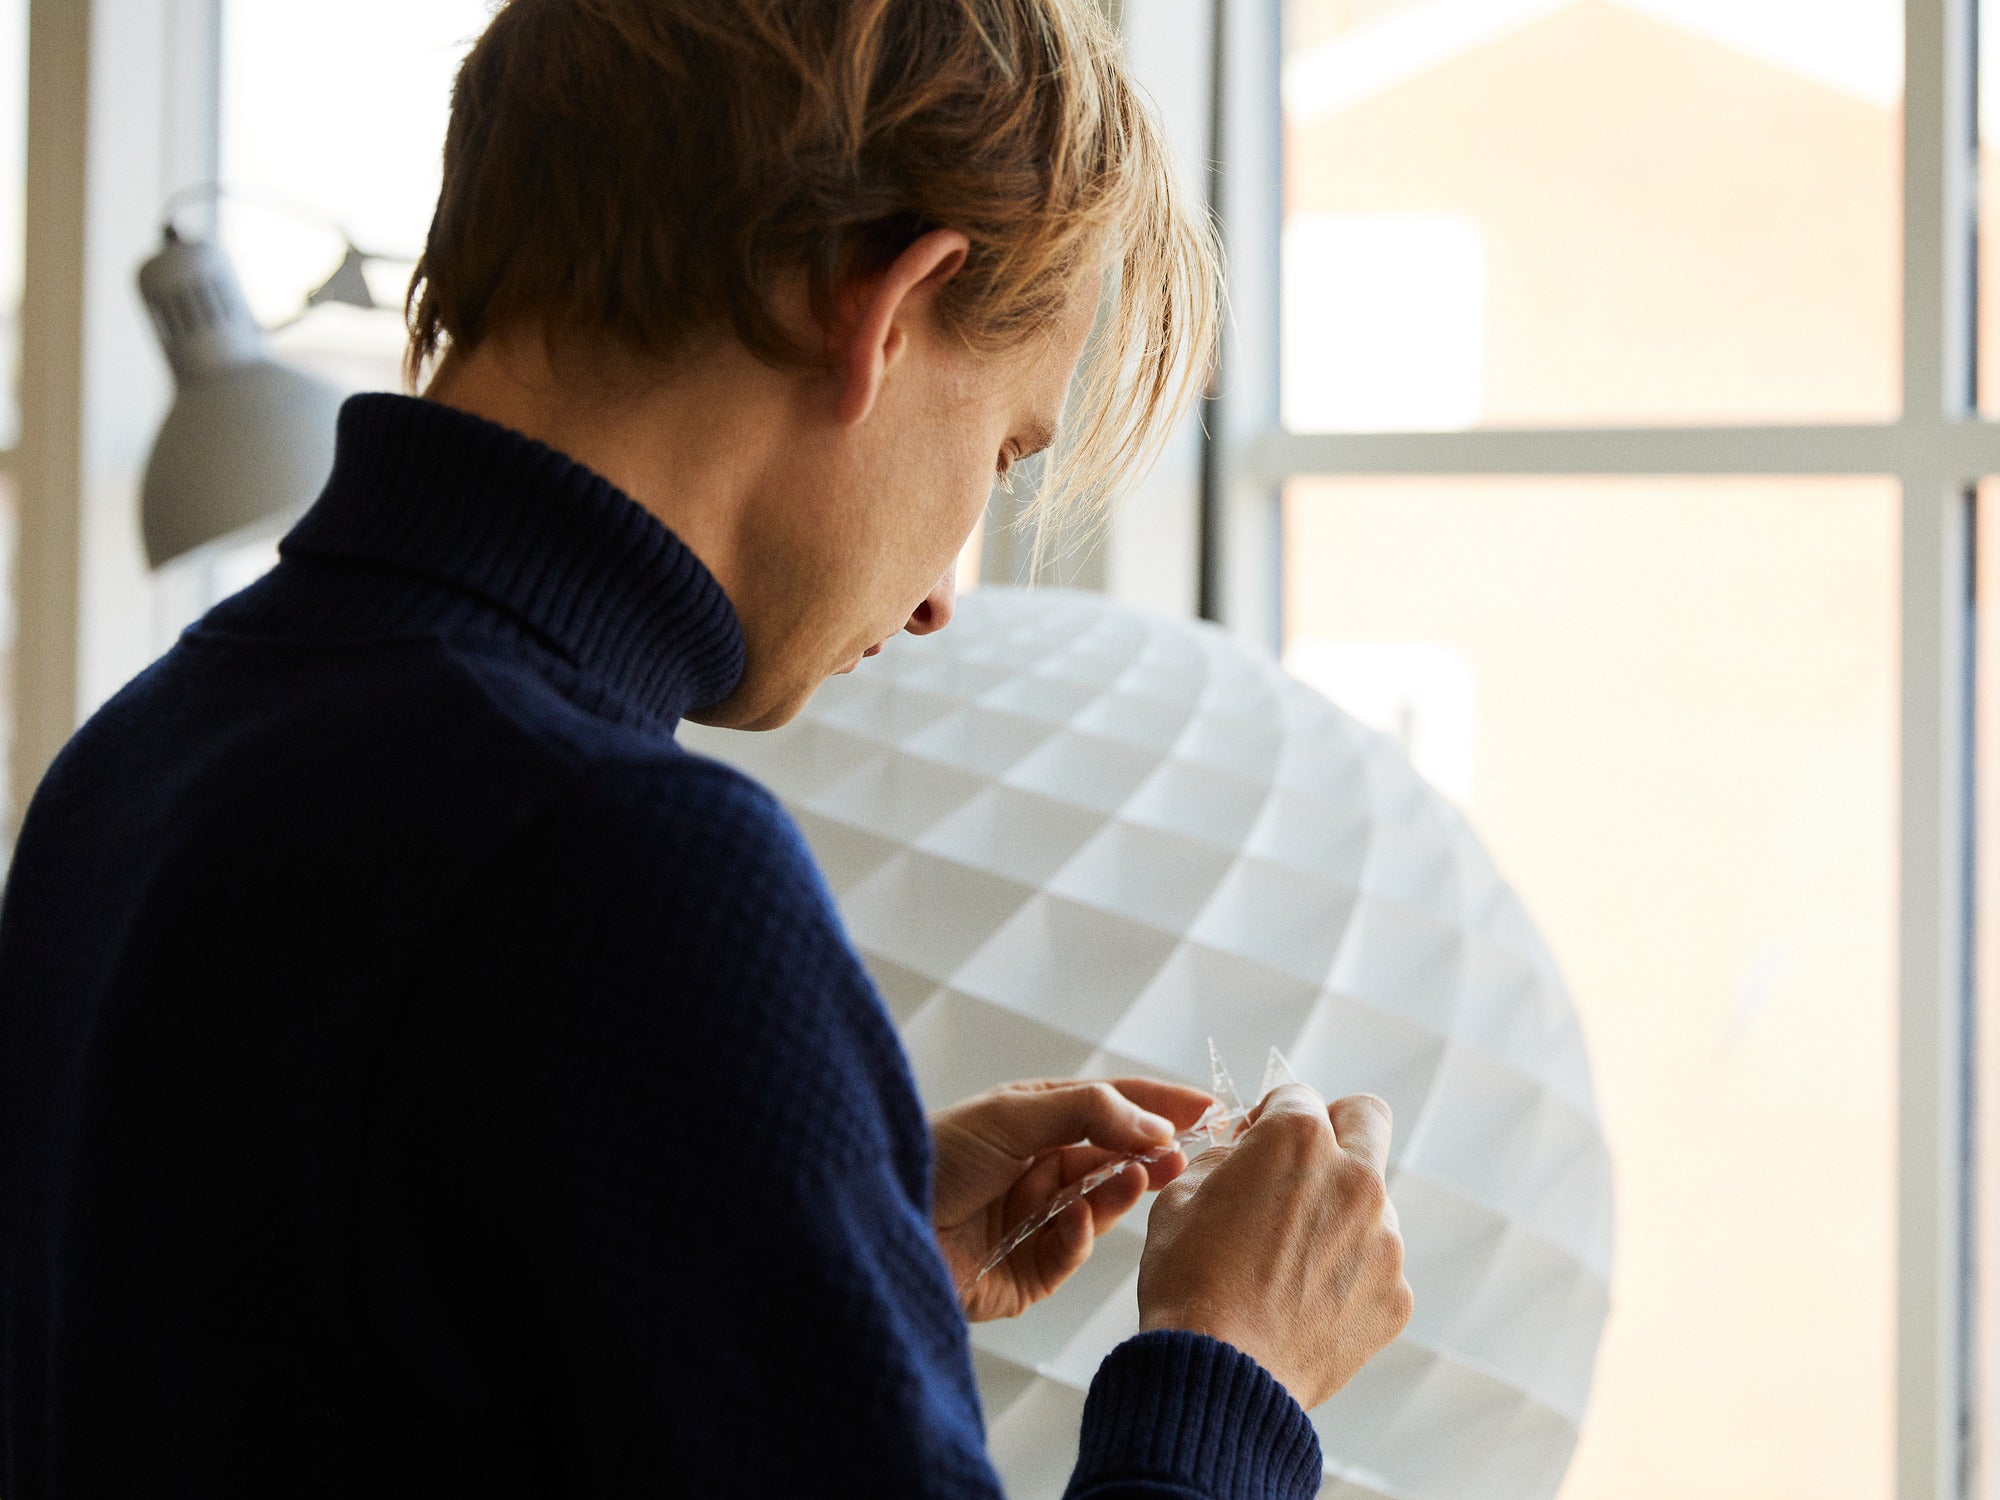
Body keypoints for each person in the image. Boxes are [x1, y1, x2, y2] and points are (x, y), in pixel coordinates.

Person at [0, 1, 1412, 1496]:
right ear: (887, 309)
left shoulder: (140, 760)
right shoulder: (617, 868)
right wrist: (1231, 1375)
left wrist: (809, 1240)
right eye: (1001, 451)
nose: (941, 597)